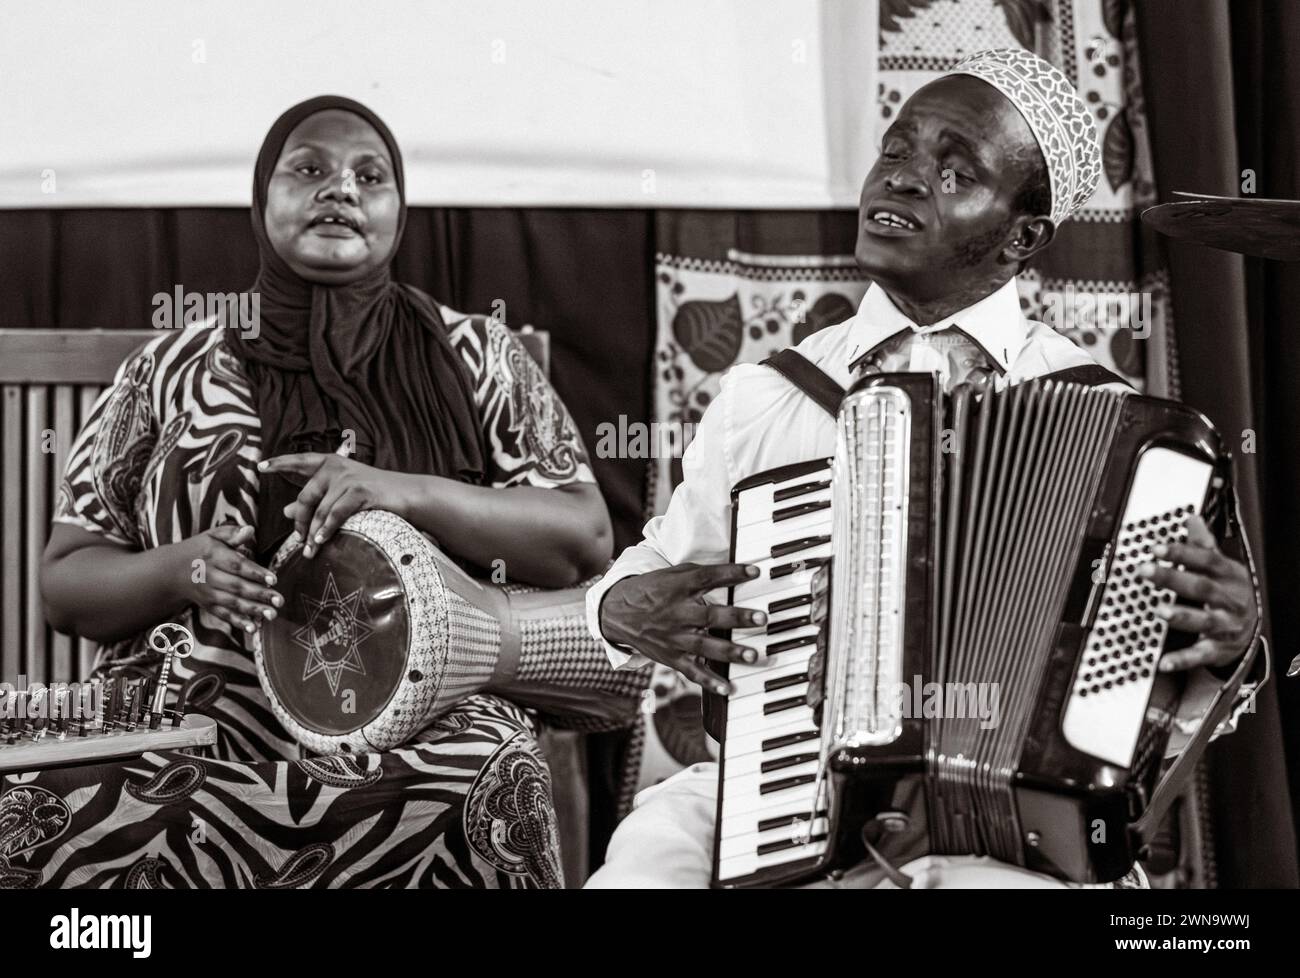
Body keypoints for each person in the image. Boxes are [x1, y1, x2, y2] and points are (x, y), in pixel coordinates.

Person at [584, 50, 1263, 889]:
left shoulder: (1117, 434)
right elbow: (658, 573)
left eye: (955, 171)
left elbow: (1176, 696)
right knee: (647, 863)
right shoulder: (770, 399)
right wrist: (618, 607)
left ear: (1022, 237)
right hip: (782, 797)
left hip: (1011, 826)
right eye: (898, 151)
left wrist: (1225, 644)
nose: (903, 180)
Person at [34, 96, 623, 888]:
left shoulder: (479, 354)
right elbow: (66, 584)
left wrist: (406, 493)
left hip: (426, 711)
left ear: (398, 210)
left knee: (481, 773)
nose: (339, 189)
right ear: (261, 199)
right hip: (198, 708)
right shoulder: (167, 370)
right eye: (308, 168)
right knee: (66, 798)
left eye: (369, 176)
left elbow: (581, 538)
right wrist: (182, 571)